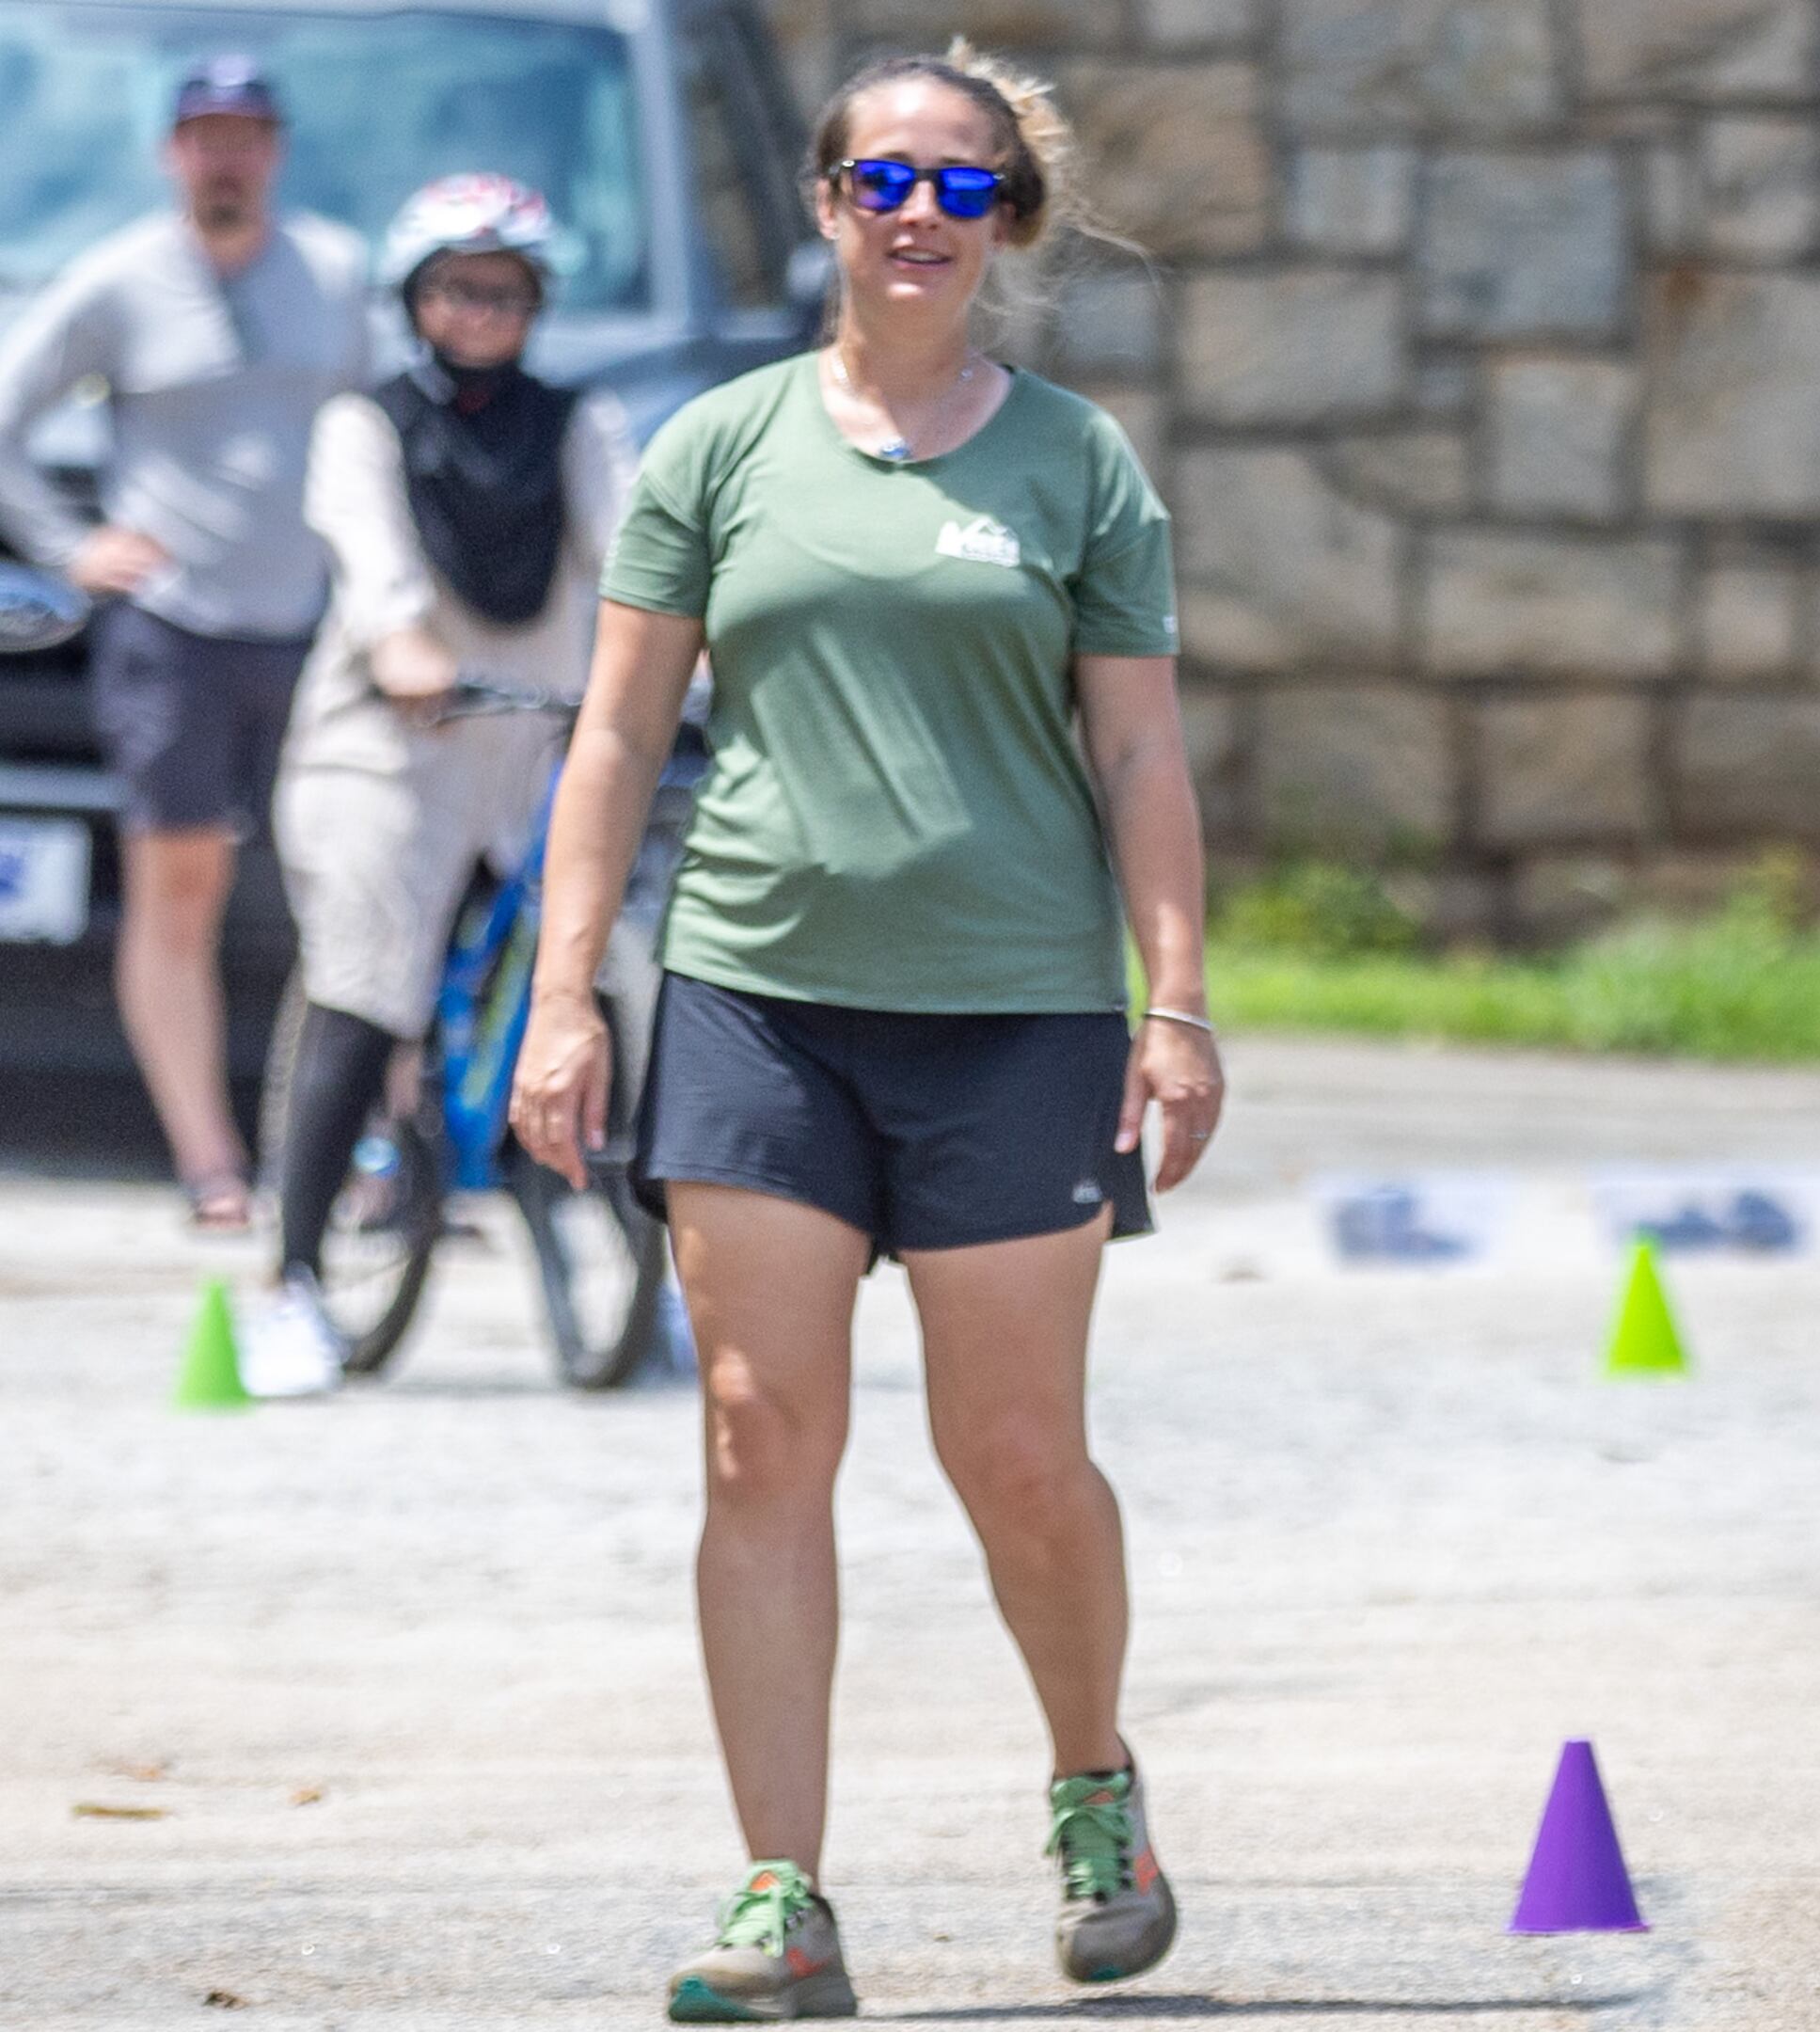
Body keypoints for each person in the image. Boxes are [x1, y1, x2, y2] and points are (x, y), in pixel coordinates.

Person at [501, 44, 1217, 2022]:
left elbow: (1141, 745)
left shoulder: (1075, 464)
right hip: (755, 1004)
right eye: (881, 178)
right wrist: (567, 995)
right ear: (824, 204)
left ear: (1009, 223)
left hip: (1016, 1015)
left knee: (1013, 1454)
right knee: (755, 1436)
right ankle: (781, 1899)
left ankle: (1094, 1785)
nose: (917, 213)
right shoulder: (717, 447)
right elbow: (622, 733)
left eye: (961, 188)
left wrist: (1180, 1001)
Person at [231, 175, 635, 1396]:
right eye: (458, 288)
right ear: (417, 300)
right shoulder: (368, 422)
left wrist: (669, 664)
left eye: (506, 291)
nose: (482, 310)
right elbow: (371, 560)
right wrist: (408, 646)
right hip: (383, 750)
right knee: (364, 986)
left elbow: (633, 558)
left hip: (529, 753)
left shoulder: (577, 422)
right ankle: (293, 1285)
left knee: (602, 981)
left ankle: (642, 1272)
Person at [0, 56, 369, 1230]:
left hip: (318, 626)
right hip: (176, 634)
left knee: (353, 885)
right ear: (172, 152)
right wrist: (68, 547)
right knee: (183, 888)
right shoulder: (117, 279)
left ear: (276, 149)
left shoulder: (338, 271)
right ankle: (213, 1166)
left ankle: (362, 1158)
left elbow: (380, 430)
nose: (225, 155)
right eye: (204, 134)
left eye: (245, 134)